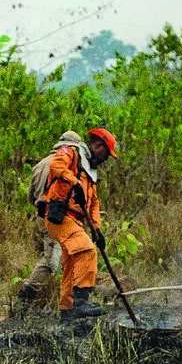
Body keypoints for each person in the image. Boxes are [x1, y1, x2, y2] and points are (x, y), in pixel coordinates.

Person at [43, 128, 118, 321]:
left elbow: (93, 203)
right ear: (97, 145)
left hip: (74, 219)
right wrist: (73, 181)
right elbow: (56, 165)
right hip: (59, 215)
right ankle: (81, 301)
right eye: (106, 153)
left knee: (71, 262)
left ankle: (67, 309)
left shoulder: (90, 172)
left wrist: (97, 229)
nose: (106, 158)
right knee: (86, 251)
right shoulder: (72, 152)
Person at [17, 131, 82, 310]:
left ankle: (69, 298)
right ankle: (26, 295)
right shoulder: (67, 165)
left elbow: (30, 196)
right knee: (51, 261)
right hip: (57, 218)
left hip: (41, 215)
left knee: (64, 257)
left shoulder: (39, 165)